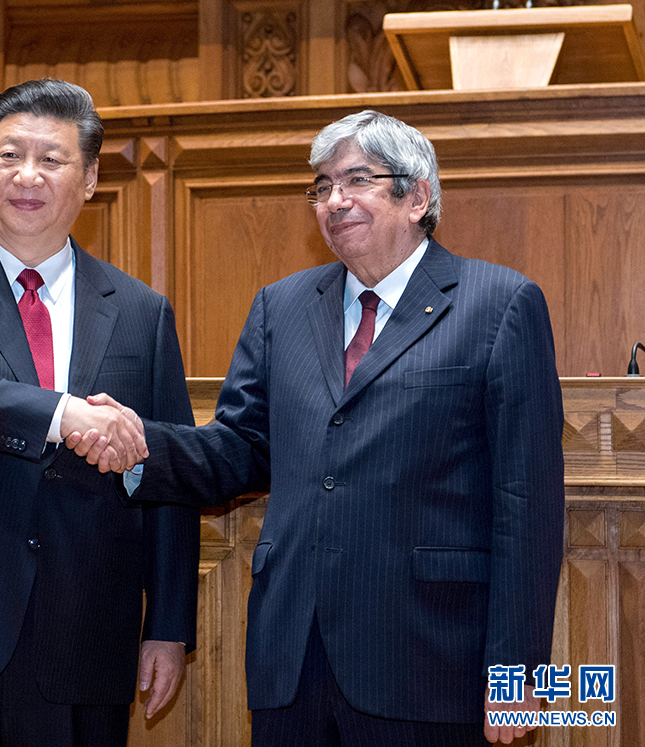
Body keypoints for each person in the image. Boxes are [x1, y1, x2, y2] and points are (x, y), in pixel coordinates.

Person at [70, 110, 565, 745]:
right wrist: (137, 444)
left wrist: (518, 673)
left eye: (356, 180)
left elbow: (527, 501)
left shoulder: (499, 303)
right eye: (323, 186)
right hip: (293, 655)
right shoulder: (282, 305)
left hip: (430, 658)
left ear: (417, 197)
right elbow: (242, 448)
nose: (334, 201)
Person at [0, 78, 199, 747]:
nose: (27, 175)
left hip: (86, 632)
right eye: (9, 154)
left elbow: (165, 473)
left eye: (51, 159)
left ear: (90, 179)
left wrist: (168, 624)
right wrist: (63, 415)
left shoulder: (142, 311)